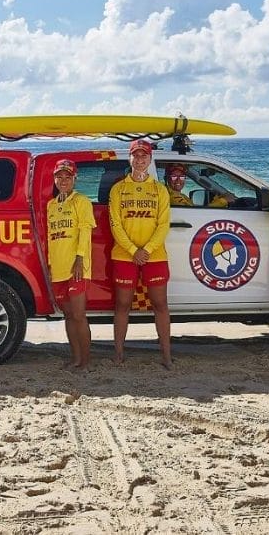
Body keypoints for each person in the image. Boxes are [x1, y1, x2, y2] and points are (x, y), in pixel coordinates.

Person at [109, 139, 173, 368]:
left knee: (160, 304)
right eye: (135, 155)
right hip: (124, 254)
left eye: (143, 155)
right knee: (122, 304)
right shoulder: (118, 189)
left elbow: (163, 225)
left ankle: (166, 355)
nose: (139, 159)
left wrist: (146, 250)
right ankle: (118, 353)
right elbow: (115, 224)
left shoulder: (159, 190)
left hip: (154, 255)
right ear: (130, 158)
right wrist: (133, 250)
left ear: (150, 159)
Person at [46, 159, 97, 371]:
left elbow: (85, 231)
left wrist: (80, 259)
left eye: (68, 176)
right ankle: (75, 358)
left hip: (76, 267)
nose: (63, 180)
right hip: (58, 269)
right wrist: (50, 266)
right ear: (54, 179)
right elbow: (50, 237)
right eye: (59, 176)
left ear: (75, 178)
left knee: (78, 315)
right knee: (67, 315)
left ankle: (85, 361)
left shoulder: (81, 201)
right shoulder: (51, 205)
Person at [164, 164, 233, 207]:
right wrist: (223, 201)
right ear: (167, 178)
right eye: (174, 177)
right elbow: (195, 214)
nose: (178, 180)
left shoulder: (179, 195)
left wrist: (219, 198)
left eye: (182, 177)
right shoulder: (173, 198)